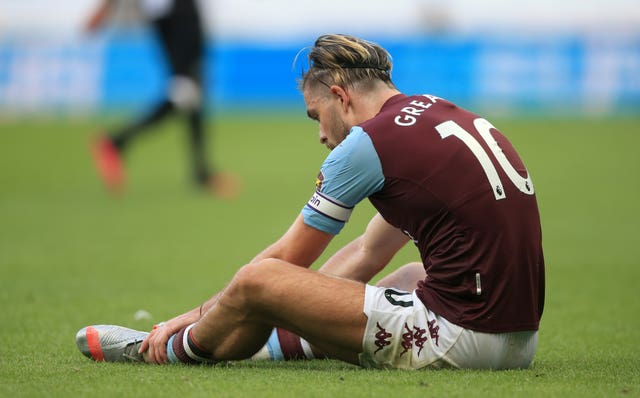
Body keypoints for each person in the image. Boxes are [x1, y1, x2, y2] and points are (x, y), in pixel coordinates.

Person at [76, 34, 545, 370]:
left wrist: (189, 317)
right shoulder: (434, 109)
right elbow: (368, 251)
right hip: (519, 338)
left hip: (464, 338)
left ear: (340, 97)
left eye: (316, 116)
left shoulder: (366, 143)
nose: (322, 135)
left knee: (260, 278)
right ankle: (270, 343)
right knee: (408, 275)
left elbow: (283, 263)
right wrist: (299, 304)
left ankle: (164, 348)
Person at [86, 0, 239, 198]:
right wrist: (104, 8)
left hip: (169, 11)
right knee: (187, 86)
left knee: (192, 86)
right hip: (174, 10)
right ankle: (117, 141)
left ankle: (201, 172)